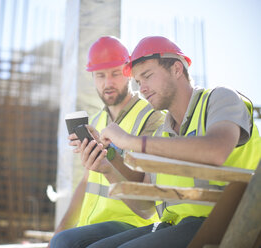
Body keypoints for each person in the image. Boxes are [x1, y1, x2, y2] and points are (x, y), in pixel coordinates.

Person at [93, 36, 261, 248]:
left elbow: (217, 150)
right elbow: (145, 206)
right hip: (175, 225)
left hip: (225, 220)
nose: (142, 88)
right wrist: (109, 161)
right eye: (138, 82)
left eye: (147, 76)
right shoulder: (162, 134)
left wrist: (130, 141)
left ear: (176, 69)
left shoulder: (221, 98)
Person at [49, 36, 165, 248]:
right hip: (92, 226)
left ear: (128, 73)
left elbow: (144, 186)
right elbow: (86, 182)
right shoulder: (95, 121)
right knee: (61, 240)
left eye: (115, 73)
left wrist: (109, 155)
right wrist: (60, 229)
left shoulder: (152, 116)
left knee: (65, 242)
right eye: (100, 75)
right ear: (93, 78)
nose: (108, 83)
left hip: (133, 223)